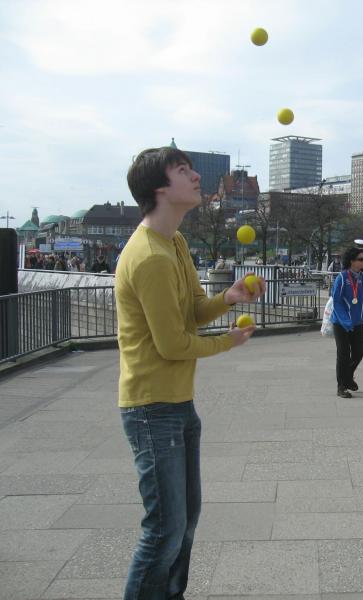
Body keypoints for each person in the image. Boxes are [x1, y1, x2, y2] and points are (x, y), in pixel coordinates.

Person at [116, 146, 263, 600]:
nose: (196, 176)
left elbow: (192, 311)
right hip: (151, 408)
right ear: (160, 189)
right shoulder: (150, 257)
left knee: (184, 523)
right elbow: (173, 345)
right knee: (164, 529)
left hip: (177, 404)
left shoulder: (174, 243)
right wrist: (227, 342)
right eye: (183, 170)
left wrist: (228, 299)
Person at [330, 247, 363, 398]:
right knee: (343, 354)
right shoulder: (342, 277)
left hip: (357, 322)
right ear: (352, 261)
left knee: (359, 353)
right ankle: (341, 386)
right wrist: (345, 320)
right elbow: (337, 301)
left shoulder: (362, 276)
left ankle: (347, 377)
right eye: (361, 259)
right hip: (341, 323)